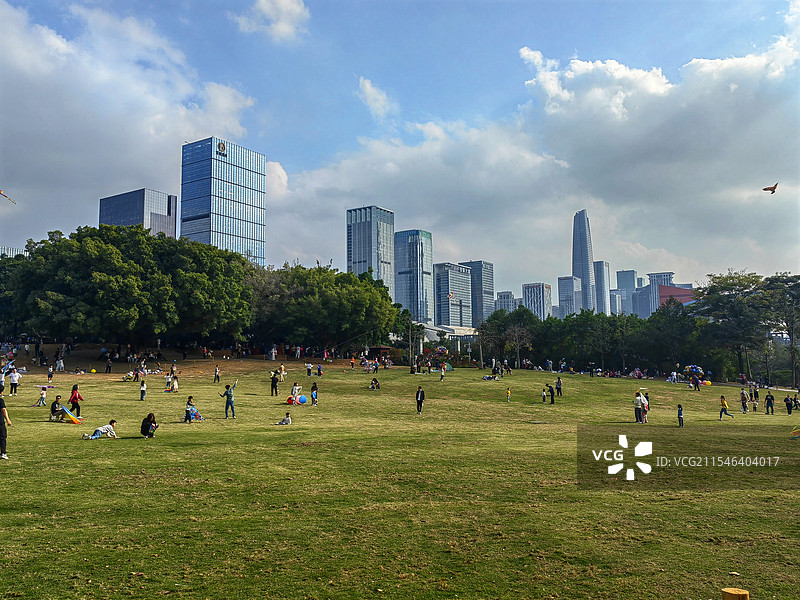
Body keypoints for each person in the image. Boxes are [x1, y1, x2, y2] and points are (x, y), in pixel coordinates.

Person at [0, 392, 11, 459]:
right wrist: (8, 419)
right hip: (0, 422)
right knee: (2, 437)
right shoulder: (1, 401)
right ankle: (3, 453)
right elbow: (3, 409)